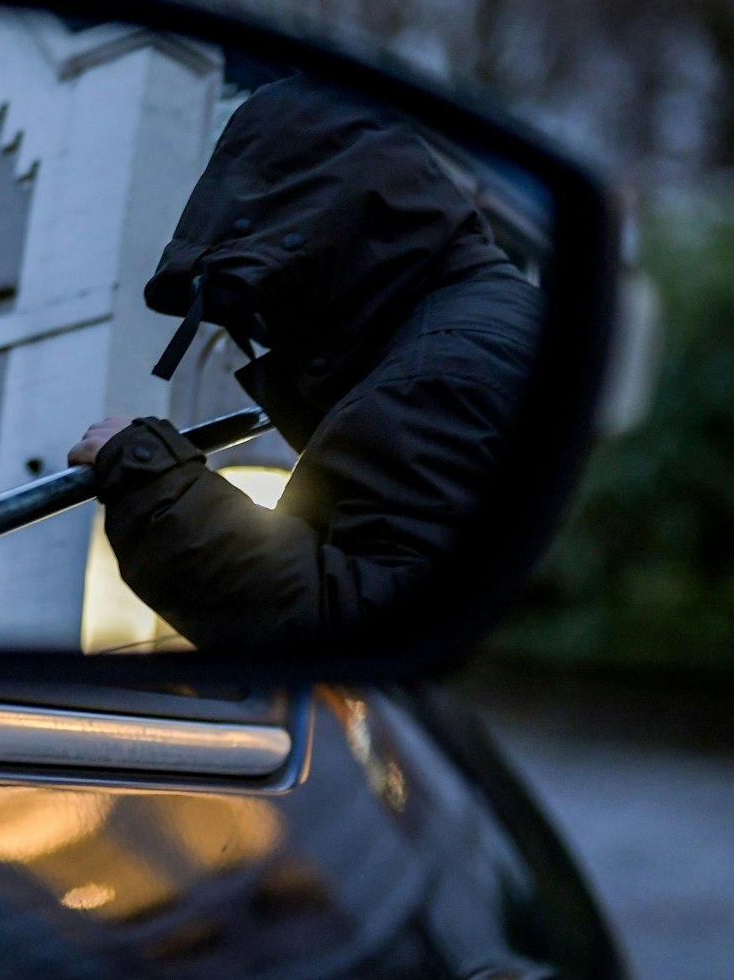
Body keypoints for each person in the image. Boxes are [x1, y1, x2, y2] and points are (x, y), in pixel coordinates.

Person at [66, 74, 543, 652]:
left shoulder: (432, 378)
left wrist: (145, 473)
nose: (267, 326)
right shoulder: (483, 315)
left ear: (313, 244)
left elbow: (355, 627)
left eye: (269, 293)